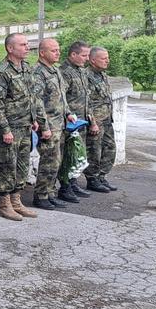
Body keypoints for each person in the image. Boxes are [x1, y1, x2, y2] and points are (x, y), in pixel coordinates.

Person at [0, 33, 42, 221]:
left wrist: (34, 118)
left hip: (25, 127)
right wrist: (5, 130)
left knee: (22, 165)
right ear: (10, 48)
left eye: (27, 44)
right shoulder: (1, 72)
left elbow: (30, 96)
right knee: (7, 166)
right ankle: (5, 204)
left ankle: (16, 201)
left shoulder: (26, 68)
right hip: (10, 130)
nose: (27, 47)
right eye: (23, 45)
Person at [32, 38, 73, 210]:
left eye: (58, 50)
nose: (58, 53)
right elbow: (37, 102)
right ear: (42, 53)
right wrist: (44, 127)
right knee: (48, 162)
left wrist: (69, 113)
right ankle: (40, 196)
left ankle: (50, 193)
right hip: (49, 126)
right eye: (53, 50)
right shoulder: (38, 73)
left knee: (57, 161)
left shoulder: (55, 71)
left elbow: (62, 98)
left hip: (60, 124)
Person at [58, 41, 92, 201]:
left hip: (81, 122)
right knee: (67, 156)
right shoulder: (64, 72)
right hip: (69, 123)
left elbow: (86, 98)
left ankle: (72, 183)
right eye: (84, 55)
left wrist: (90, 119)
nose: (87, 59)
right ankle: (65, 187)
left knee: (77, 155)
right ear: (73, 54)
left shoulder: (81, 71)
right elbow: (61, 98)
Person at [84, 46, 117, 193]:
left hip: (107, 119)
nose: (107, 61)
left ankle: (102, 176)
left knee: (109, 148)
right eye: (103, 58)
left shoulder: (103, 75)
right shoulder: (86, 76)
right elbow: (86, 102)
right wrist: (92, 122)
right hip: (96, 121)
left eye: (107, 58)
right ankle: (92, 179)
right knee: (94, 152)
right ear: (92, 60)